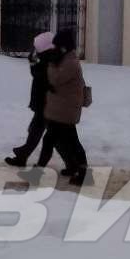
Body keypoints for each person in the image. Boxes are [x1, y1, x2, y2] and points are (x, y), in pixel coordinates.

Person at [42, 28, 89, 186]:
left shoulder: (70, 62)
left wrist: (49, 63)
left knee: (63, 141)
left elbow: (54, 79)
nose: (55, 48)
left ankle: (82, 173)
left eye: (57, 45)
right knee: (63, 141)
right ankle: (75, 167)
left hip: (66, 111)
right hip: (62, 110)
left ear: (64, 46)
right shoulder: (65, 59)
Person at [4, 31, 56, 168]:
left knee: (45, 133)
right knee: (37, 130)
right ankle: (23, 155)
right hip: (44, 102)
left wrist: (33, 63)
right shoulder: (46, 57)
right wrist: (33, 62)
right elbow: (38, 74)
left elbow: (42, 77)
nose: (35, 49)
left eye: (37, 46)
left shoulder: (49, 58)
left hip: (46, 103)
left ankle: (74, 164)